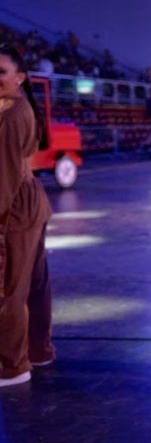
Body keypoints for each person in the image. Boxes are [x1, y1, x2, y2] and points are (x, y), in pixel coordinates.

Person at [0, 43, 55, 387]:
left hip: (14, 209)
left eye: (1, 72)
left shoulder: (10, 113)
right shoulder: (17, 107)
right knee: (34, 282)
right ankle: (38, 350)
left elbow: (3, 175)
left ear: (20, 77)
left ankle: (12, 365)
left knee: (9, 287)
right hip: (31, 202)